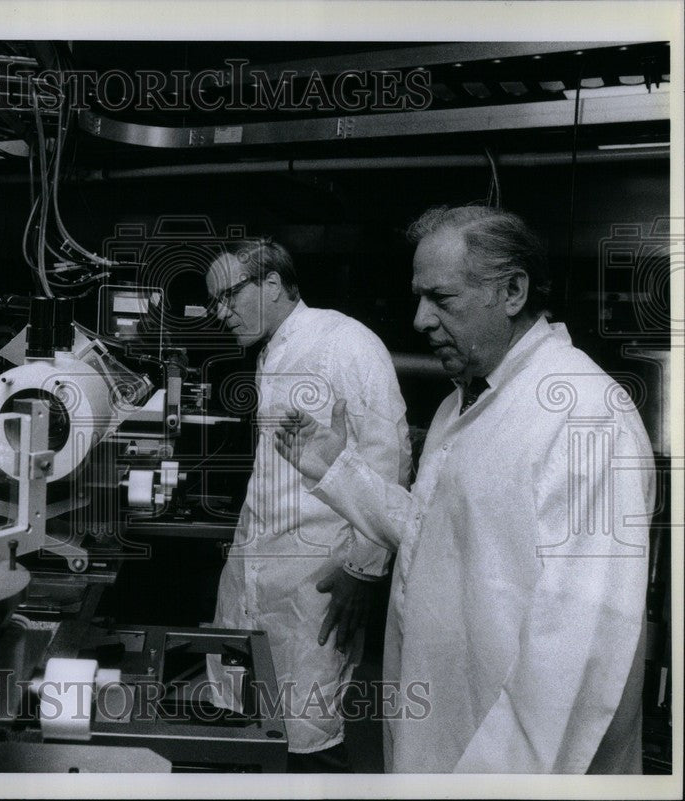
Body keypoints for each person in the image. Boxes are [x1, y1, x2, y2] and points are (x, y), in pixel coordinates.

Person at [274, 206, 655, 773]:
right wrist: (338, 469)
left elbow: (578, 645)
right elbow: (438, 535)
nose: (421, 320)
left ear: (512, 291)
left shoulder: (582, 413)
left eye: (442, 299)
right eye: (418, 298)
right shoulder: (463, 404)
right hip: (444, 738)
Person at [204, 238, 412, 771]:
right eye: (215, 303)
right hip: (256, 569)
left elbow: (389, 455)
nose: (220, 314)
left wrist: (363, 571)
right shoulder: (273, 354)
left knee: (308, 738)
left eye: (227, 297)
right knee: (243, 727)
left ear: (272, 283)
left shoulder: (345, 341)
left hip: (315, 580)